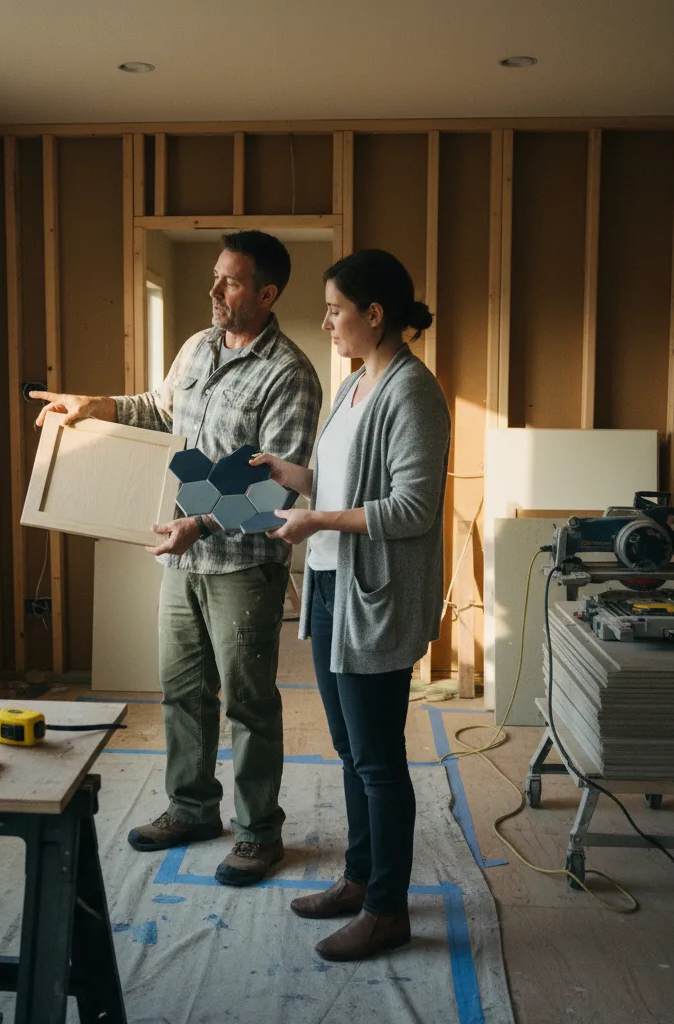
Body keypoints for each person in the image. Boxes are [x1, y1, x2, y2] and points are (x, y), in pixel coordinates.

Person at [31, 231, 322, 886]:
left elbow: (277, 486)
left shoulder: (291, 375)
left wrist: (202, 522)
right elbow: (160, 410)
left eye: (233, 281)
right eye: (216, 277)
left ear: (268, 293)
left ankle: (257, 832)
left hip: (241, 564)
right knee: (184, 693)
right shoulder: (196, 347)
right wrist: (93, 405)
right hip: (181, 560)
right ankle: (192, 809)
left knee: (247, 702)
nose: (215, 290)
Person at [250, 249, 450, 960]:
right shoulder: (354, 385)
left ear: (375, 314)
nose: (327, 320)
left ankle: (388, 908)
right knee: (349, 750)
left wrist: (316, 523)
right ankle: (360, 881)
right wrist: (289, 476)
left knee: (377, 760)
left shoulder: (411, 393)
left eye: (337, 309)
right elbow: (337, 486)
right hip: (335, 586)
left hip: (376, 599)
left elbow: (412, 509)